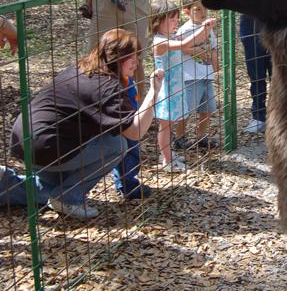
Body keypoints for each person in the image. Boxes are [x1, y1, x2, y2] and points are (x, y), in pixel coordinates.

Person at [0, 29, 164, 220]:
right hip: (45, 146)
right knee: (116, 145)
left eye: (137, 56)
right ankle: (69, 198)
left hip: (23, 141)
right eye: (131, 57)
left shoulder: (82, 67)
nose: (137, 62)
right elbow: (135, 132)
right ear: (115, 57)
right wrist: (153, 92)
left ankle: (5, 183)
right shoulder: (108, 86)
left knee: (52, 190)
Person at [149, 0, 217, 170]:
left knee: (169, 125)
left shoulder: (170, 36)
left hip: (176, 88)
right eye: (171, 20)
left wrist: (205, 29)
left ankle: (168, 155)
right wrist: (205, 28)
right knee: (165, 128)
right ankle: (167, 161)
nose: (176, 23)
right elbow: (186, 44)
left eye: (176, 19)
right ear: (158, 21)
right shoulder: (160, 41)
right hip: (167, 91)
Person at [239, 0, 275, 133]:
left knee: (278, 72)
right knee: (256, 72)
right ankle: (258, 116)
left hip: (276, 24)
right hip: (251, 23)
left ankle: (279, 116)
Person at [174, 0, 219, 151]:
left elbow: (213, 47)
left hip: (206, 74)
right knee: (188, 109)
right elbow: (179, 49)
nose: (203, 13)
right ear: (187, 11)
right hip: (190, 76)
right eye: (198, 9)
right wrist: (196, 51)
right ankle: (179, 137)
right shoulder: (184, 30)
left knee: (207, 108)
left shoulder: (208, 27)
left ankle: (201, 136)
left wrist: (215, 61)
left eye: (205, 9)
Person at [112, 74, 151, 201]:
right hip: (120, 79)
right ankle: (128, 185)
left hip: (125, 78)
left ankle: (124, 182)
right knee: (129, 132)